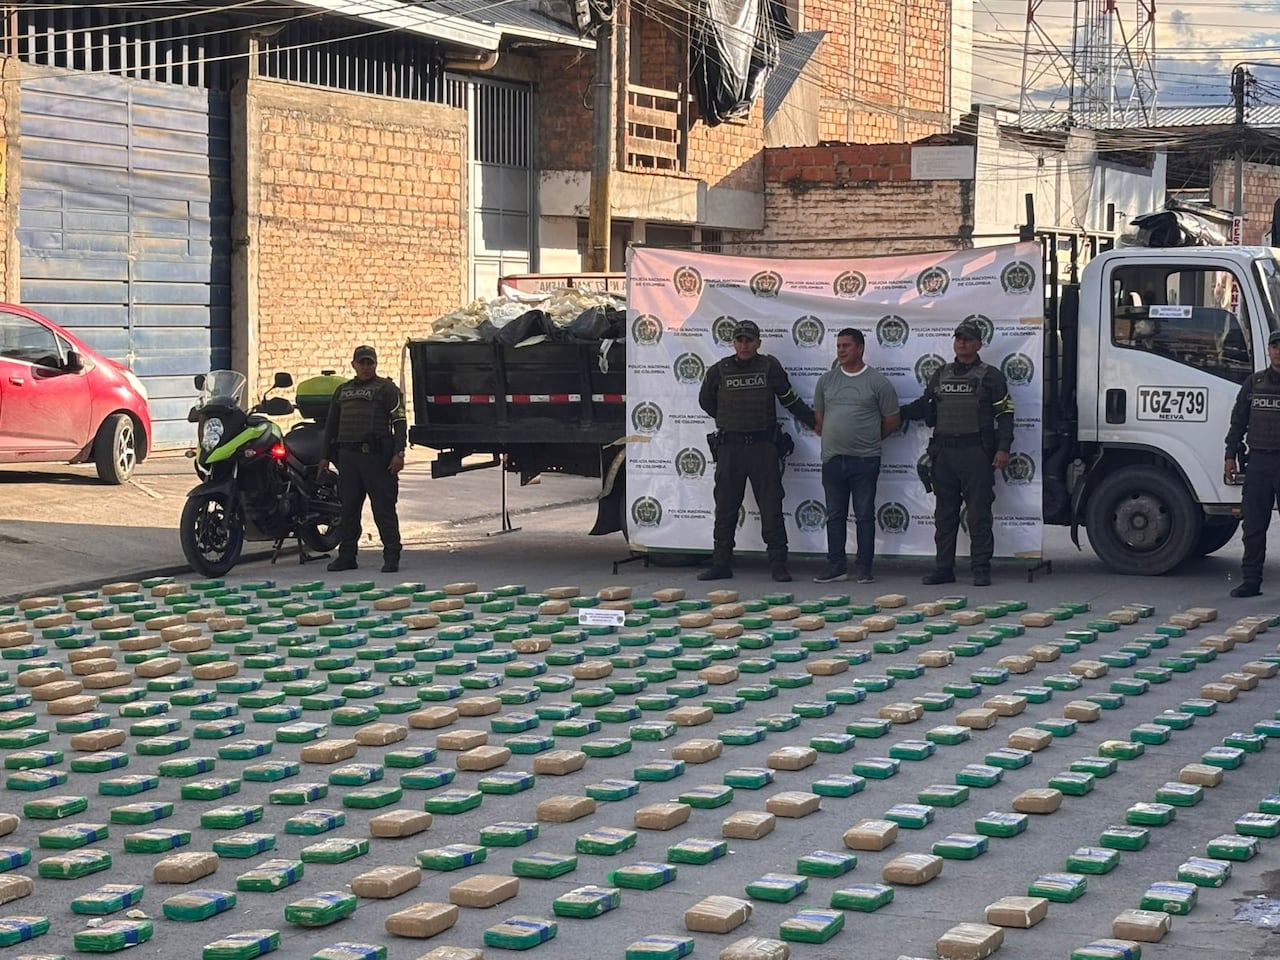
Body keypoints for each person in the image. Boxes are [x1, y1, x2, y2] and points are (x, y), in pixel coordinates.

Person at [698, 319, 817, 582]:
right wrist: (731, 420)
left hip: (763, 447)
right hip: (731, 448)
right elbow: (706, 401)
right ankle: (721, 563)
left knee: (771, 507)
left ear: (758, 343)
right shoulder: (719, 370)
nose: (744, 344)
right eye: (739, 339)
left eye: (749, 340)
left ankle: (778, 563)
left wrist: (813, 421)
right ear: (733, 342)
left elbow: (789, 398)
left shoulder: (769, 366)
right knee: (726, 508)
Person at [900, 319, 1014, 587]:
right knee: (945, 515)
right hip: (944, 454)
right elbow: (925, 405)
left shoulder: (991, 376)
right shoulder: (941, 373)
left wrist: (1003, 448)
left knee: (978, 515)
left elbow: (1006, 414)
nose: (961, 342)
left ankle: (981, 568)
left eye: (967, 338)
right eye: (958, 338)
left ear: (978, 344)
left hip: (976, 452)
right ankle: (944, 568)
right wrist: (897, 413)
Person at [812, 327, 901, 584]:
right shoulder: (826, 381)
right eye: (838, 346)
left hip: (865, 459)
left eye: (846, 346)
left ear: (860, 348)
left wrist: (869, 439)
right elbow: (820, 419)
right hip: (832, 459)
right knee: (835, 515)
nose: (841, 350)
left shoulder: (878, 382)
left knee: (864, 514)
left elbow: (892, 419)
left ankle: (864, 567)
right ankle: (836, 566)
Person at [320, 345, 407, 574]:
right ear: (354, 365)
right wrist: (325, 457)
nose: (366, 367)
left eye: (370, 363)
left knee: (383, 509)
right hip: (348, 459)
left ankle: (391, 556)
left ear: (375, 364)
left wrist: (399, 453)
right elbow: (331, 427)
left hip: (377, 458)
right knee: (348, 510)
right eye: (362, 363)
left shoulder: (387, 390)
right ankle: (347, 556)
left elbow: (399, 423)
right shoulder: (342, 391)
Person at [1223, 329, 1280, 597]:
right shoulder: (1254, 383)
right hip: (1258, 462)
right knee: (1254, 526)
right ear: (1269, 350)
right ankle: (1251, 581)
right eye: (1275, 346)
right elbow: (1238, 422)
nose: (1279, 351)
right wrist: (1230, 455)